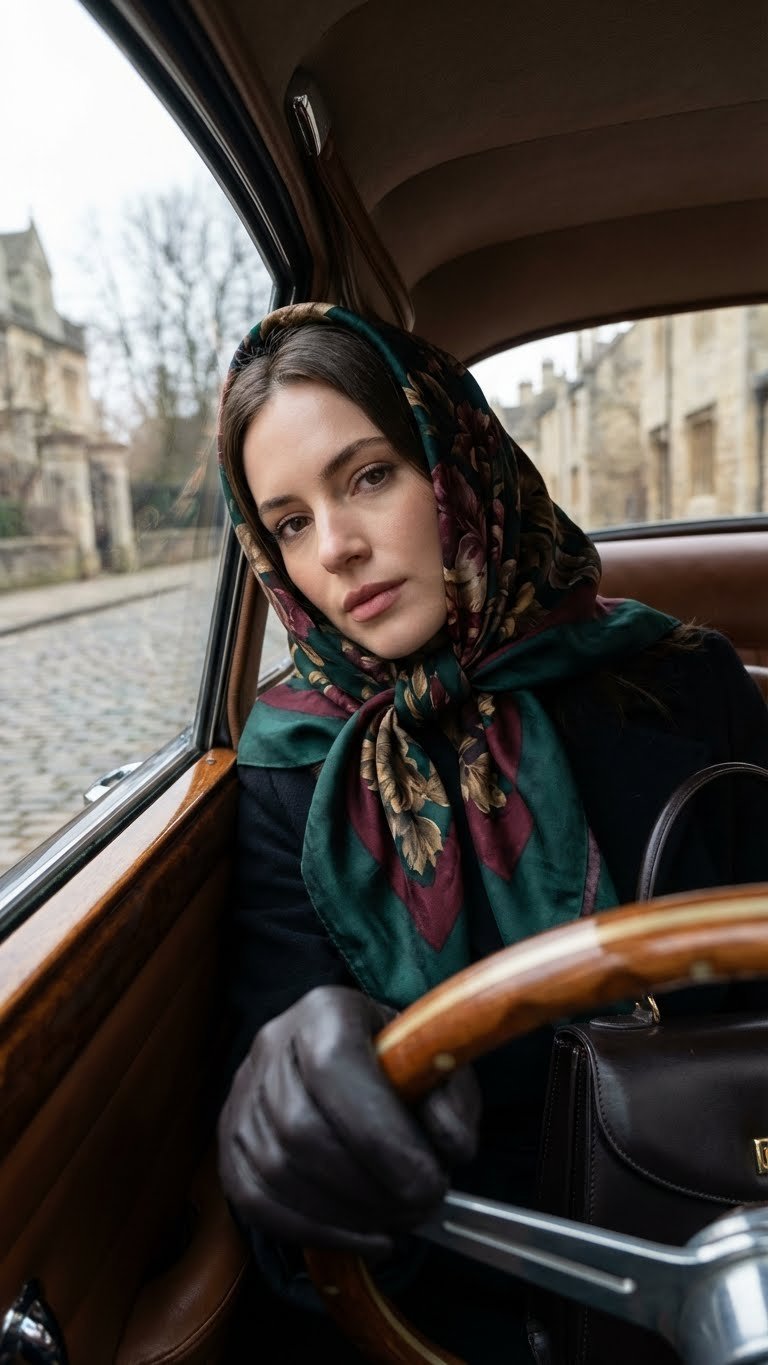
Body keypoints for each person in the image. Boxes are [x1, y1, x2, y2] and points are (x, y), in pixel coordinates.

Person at [214, 301, 768, 1362]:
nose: (336, 548)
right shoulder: (292, 771)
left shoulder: (681, 684)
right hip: (459, 1309)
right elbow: (290, 1209)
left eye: (369, 474)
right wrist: (297, 1120)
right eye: (288, 521)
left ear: (456, 459)